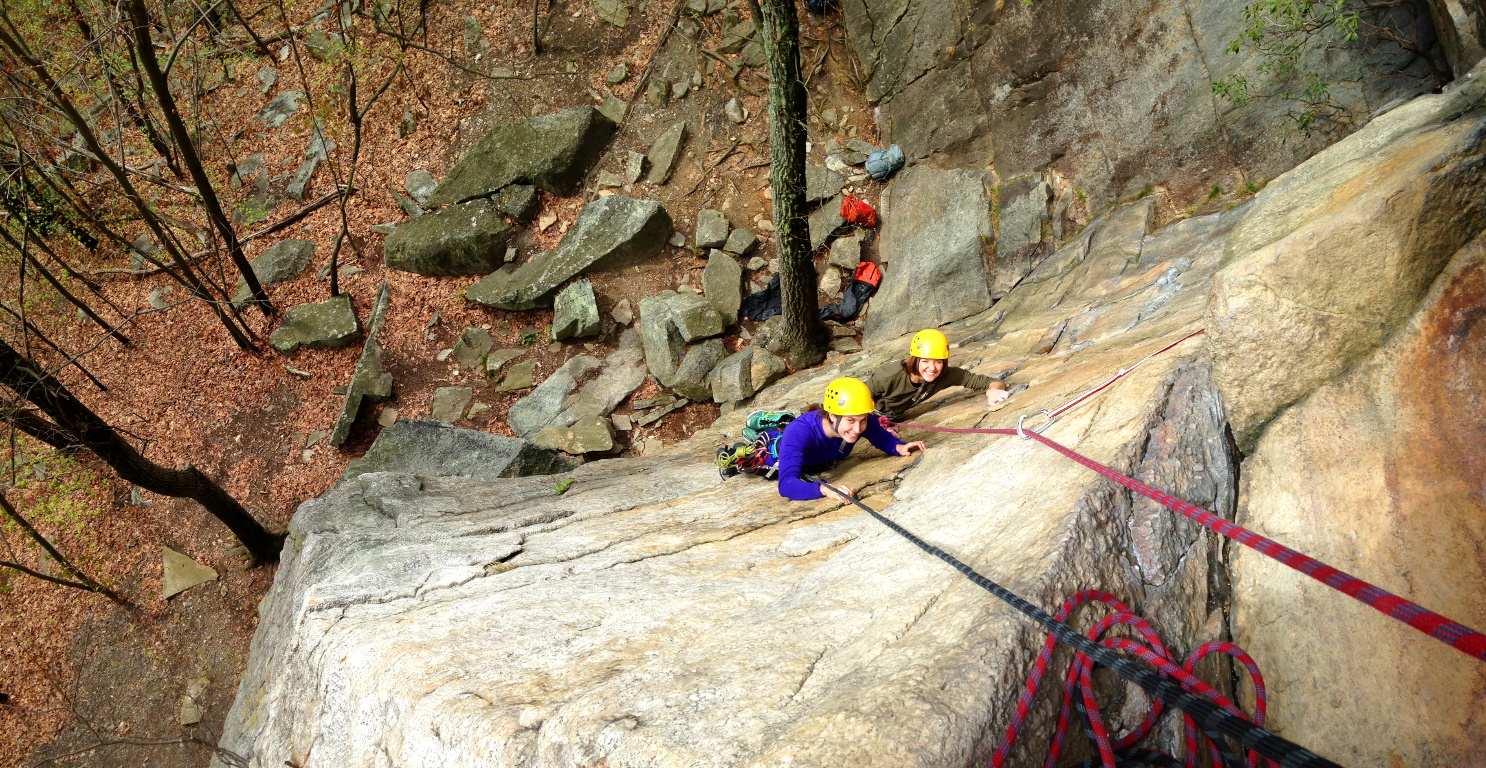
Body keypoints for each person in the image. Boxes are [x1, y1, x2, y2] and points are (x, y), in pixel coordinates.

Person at [775, 377, 926, 504]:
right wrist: (824, 489)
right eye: (851, 420)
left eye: (863, 420)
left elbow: (883, 439)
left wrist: (900, 447)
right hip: (776, 457)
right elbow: (787, 485)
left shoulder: (862, 419)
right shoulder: (798, 433)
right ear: (832, 415)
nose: (858, 429)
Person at [867, 329, 1010, 428]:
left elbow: (993, 382)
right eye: (925, 361)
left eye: (938, 361)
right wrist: (876, 428)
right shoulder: (888, 376)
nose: (932, 368)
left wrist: (992, 391)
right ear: (915, 360)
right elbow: (854, 401)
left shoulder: (945, 375)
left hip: (891, 420)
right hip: (867, 417)